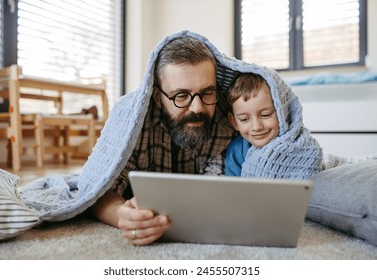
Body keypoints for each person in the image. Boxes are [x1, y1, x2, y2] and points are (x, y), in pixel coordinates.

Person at [90, 36, 236, 246]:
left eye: (207, 92)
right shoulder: (133, 122)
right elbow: (101, 188)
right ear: (158, 97)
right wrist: (122, 215)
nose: (197, 108)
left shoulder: (230, 120)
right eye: (181, 96)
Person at [225, 72, 323, 179]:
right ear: (234, 122)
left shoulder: (303, 145)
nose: (257, 127)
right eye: (244, 119)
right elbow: (235, 191)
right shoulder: (235, 152)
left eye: (265, 115)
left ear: (283, 112)